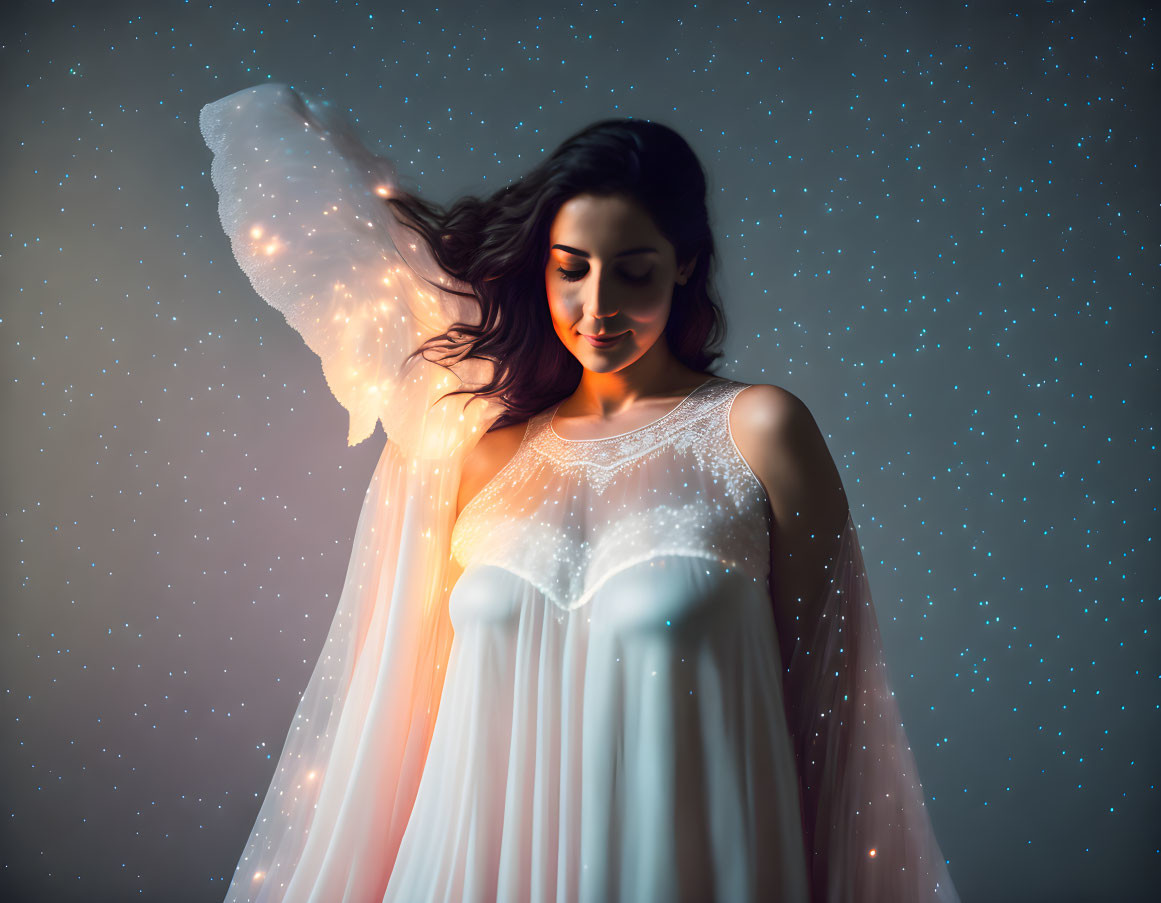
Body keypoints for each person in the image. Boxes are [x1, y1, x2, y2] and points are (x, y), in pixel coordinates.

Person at [200, 83, 960, 903]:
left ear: (686, 265)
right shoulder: (476, 457)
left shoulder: (758, 432)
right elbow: (395, 733)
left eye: (633, 272)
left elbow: (831, 718)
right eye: (571, 270)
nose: (597, 307)